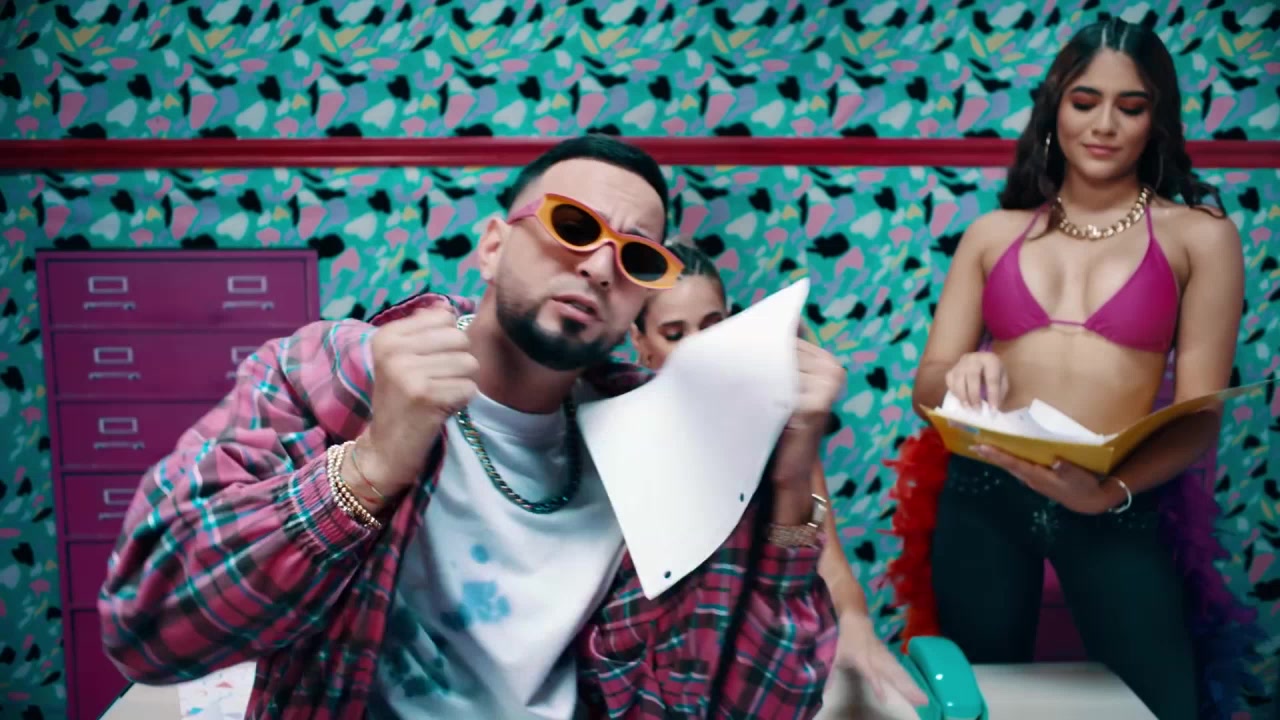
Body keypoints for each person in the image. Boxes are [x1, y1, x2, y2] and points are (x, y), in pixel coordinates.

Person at [98, 136, 846, 719]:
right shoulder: (333, 373)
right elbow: (149, 626)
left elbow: (760, 706)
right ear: (492, 245)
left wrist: (790, 493)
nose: (598, 267)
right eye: (572, 226)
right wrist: (367, 469)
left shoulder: (660, 449)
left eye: (637, 257)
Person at [889, 18, 1254, 720]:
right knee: (975, 700)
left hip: (1111, 496)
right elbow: (927, 386)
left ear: (1157, 120)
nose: (1105, 124)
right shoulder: (992, 234)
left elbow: (1201, 417)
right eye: (1085, 101)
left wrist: (1104, 494)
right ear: (1056, 108)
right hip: (983, 492)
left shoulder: (1200, 236)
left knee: (1163, 703)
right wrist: (961, 370)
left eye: (1131, 106)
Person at [630, 243, 927, 715]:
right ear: (642, 344)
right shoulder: (620, 436)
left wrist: (853, 620)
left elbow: (818, 550)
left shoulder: (779, 428)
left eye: (712, 326)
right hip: (658, 672)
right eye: (674, 334)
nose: (699, 346)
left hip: (763, 654)